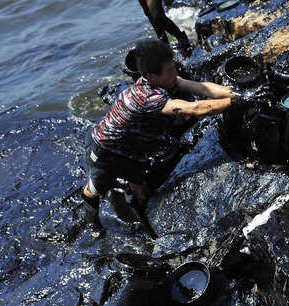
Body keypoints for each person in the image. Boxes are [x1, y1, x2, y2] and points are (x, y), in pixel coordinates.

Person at [82, 38, 239, 233]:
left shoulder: (166, 79)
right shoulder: (148, 97)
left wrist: (237, 92)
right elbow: (194, 108)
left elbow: (201, 88)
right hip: (105, 150)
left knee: (139, 189)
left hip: (132, 146)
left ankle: (139, 212)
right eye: (170, 70)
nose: (175, 73)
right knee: (93, 190)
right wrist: (234, 103)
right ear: (151, 76)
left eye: (174, 67)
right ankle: (92, 223)